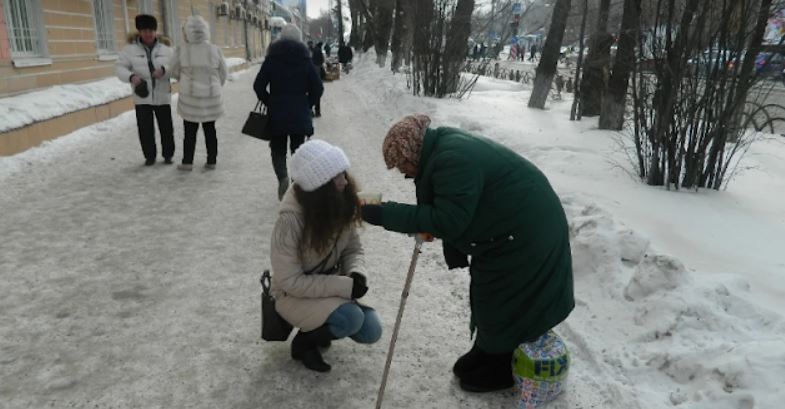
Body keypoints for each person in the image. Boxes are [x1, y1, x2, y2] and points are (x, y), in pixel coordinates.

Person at [360, 115, 574, 393]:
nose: (405, 172)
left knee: (503, 296)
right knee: (489, 294)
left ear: (413, 151)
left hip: (527, 235)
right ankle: (488, 350)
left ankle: (502, 366)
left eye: (403, 164)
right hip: (510, 230)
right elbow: (449, 209)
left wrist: (385, 213)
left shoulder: (452, 159)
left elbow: (448, 220)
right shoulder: (441, 150)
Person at [270, 139, 382, 373]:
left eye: (343, 173)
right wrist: (343, 286)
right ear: (319, 186)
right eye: (336, 178)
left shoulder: (339, 201)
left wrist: (356, 274)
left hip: (325, 286)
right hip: (292, 294)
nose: (344, 181)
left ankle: (321, 325)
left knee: (371, 330)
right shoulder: (290, 221)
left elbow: (353, 249)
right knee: (351, 319)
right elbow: (290, 282)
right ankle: (303, 343)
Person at [253, 24, 324, 200]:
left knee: (277, 149)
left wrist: (269, 101)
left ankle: (282, 177)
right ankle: (294, 183)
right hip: (299, 113)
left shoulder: (272, 59)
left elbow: (258, 85)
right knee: (298, 150)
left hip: (277, 113)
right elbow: (318, 87)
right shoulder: (305, 60)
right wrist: (307, 103)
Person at [167, 15, 227, 171]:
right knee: (210, 130)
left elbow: (172, 70)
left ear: (187, 32)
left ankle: (187, 162)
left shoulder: (182, 50)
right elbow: (223, 72)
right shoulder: (215, 49)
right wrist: (215, 86)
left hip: (190, 99)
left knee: (189, 131)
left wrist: (184, 78)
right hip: (211, 98)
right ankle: (212, 161)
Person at [116, 14, 174, 166]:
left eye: (151, 30)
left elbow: (176, 67)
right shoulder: (129, 50)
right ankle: (150, 156)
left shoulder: (167, 50)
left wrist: (164, 70)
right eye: (144, 30)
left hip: (162, 95)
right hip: (142, 96)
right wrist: (131, 77)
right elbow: (120, 68)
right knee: (145, 129)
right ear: (139, 32)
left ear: (155, 31)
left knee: (166, 128)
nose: (148, 34)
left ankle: (168, 155)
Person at [311, 41, 326, 117]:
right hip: (317, 69)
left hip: (313, 69)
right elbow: (322, 60)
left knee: (312, 90)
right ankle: (317, 111)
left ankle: (311, 110)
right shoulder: (319, 51)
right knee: (316, 90)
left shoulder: (313, 50)